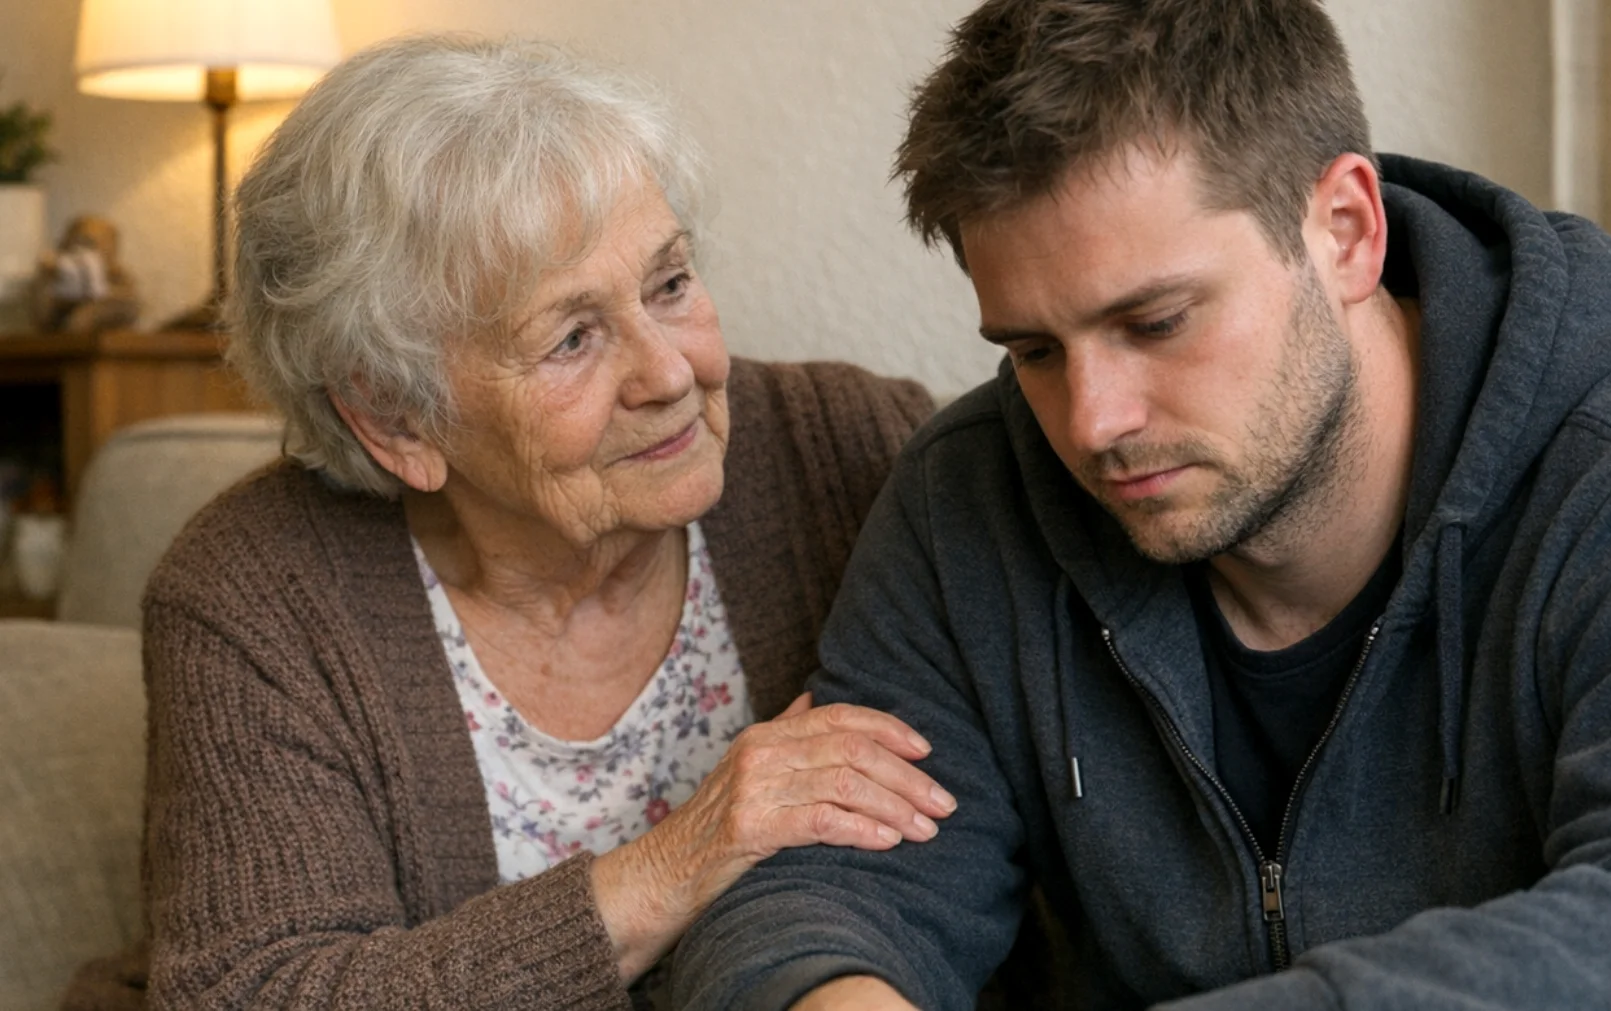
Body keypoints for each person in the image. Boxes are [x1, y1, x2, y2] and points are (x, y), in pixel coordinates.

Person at [669, 0, 1611, 1008]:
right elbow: (816, 893)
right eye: (1033, 350)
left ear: (1346, 230)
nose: (1093, 422)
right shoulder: (968, 497)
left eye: (1156, 322)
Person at [60, 34, 956, 1011]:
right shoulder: (257, 595)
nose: (669, 373)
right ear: (394, 416)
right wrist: (675, 862)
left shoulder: (852, 451)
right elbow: (258, 990)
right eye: (571, 338)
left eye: (669, 284)